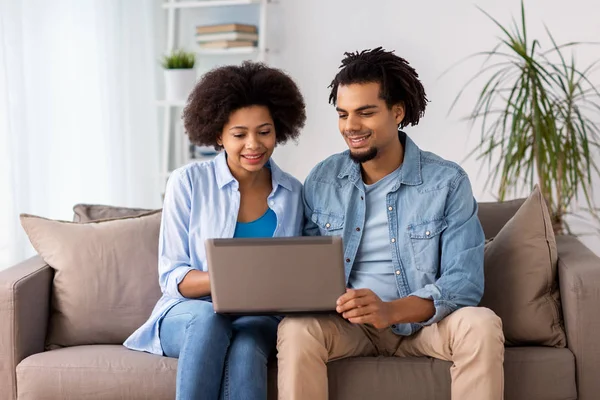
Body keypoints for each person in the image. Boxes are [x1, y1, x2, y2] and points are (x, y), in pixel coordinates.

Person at [276, 47, 504, 400]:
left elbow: (465, 283)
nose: (351, 126)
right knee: (297, 328)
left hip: (425, 327)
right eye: (343, 114)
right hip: (349, 328)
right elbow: (306, 270)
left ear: (397, 112)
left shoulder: (446, 182)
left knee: (481, 323)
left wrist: (390, 310)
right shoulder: (323, 180)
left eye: (365, 113)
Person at [124, 61, 306, 400]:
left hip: (258, 318)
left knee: (248, 343)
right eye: (239, 134)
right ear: (218, 135)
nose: (253, 145)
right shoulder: (188, 182)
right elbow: (172, 276)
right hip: (191, 313)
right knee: (211, 319)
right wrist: (232, 278)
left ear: (278, 129)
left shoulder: (294, 193)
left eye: (264, 132)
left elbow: (296, 273)